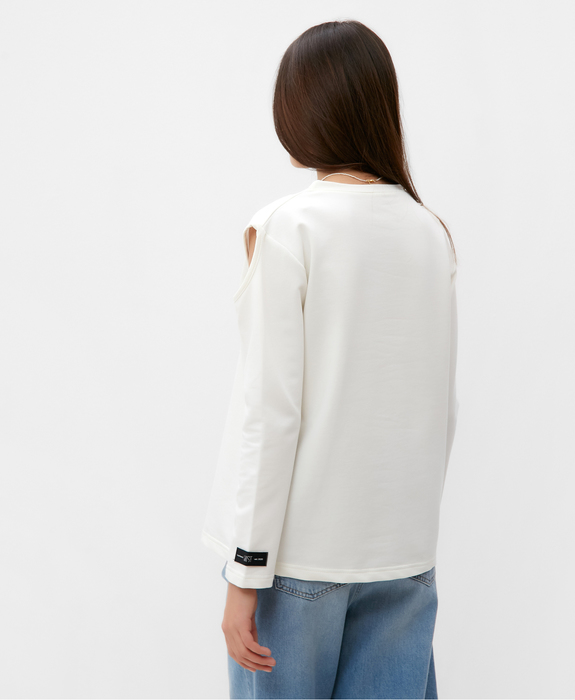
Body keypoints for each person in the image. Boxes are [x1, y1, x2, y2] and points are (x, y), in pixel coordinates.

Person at [201, 18, 459, 700]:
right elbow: (441, 408)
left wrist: (244, 573)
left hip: (295, 561)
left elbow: (271, 411)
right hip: (403, 557)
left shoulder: (288, 228)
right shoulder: (430, 233)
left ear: (301, 116)